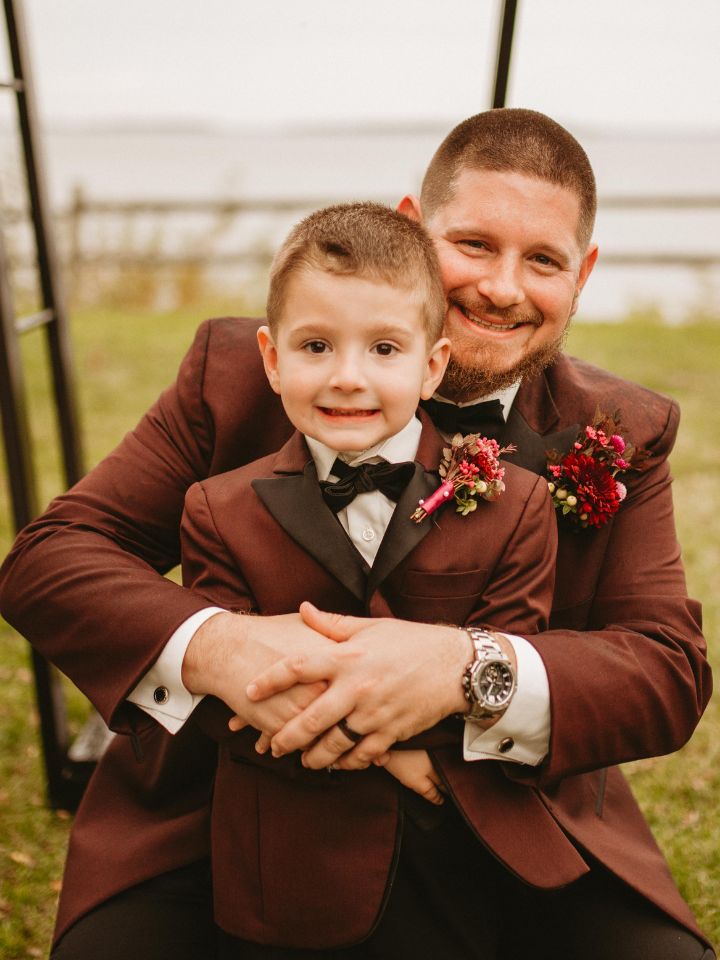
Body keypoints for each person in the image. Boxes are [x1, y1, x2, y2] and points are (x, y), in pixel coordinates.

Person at [0, 109, 713, 959]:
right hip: (225, 806)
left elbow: (665, 667)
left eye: (544, 261)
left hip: (507, 815)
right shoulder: (242, 374)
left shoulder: (617, 429)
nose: (502, 288)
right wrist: (226, 648)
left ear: (584, 273)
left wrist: (464, 670)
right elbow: (52, 557)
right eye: (474, 245)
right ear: (412, 227)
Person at [178, 200, 557, 951]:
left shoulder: (516, 503)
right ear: (272, 358)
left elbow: (508, 666)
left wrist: (430, 754)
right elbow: (226, 699)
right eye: (316, 345)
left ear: (432, 365)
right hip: (288, 860)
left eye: (384, 349)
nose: (347, 378)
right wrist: (392, 751)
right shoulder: (217, 510)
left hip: (458, 851)